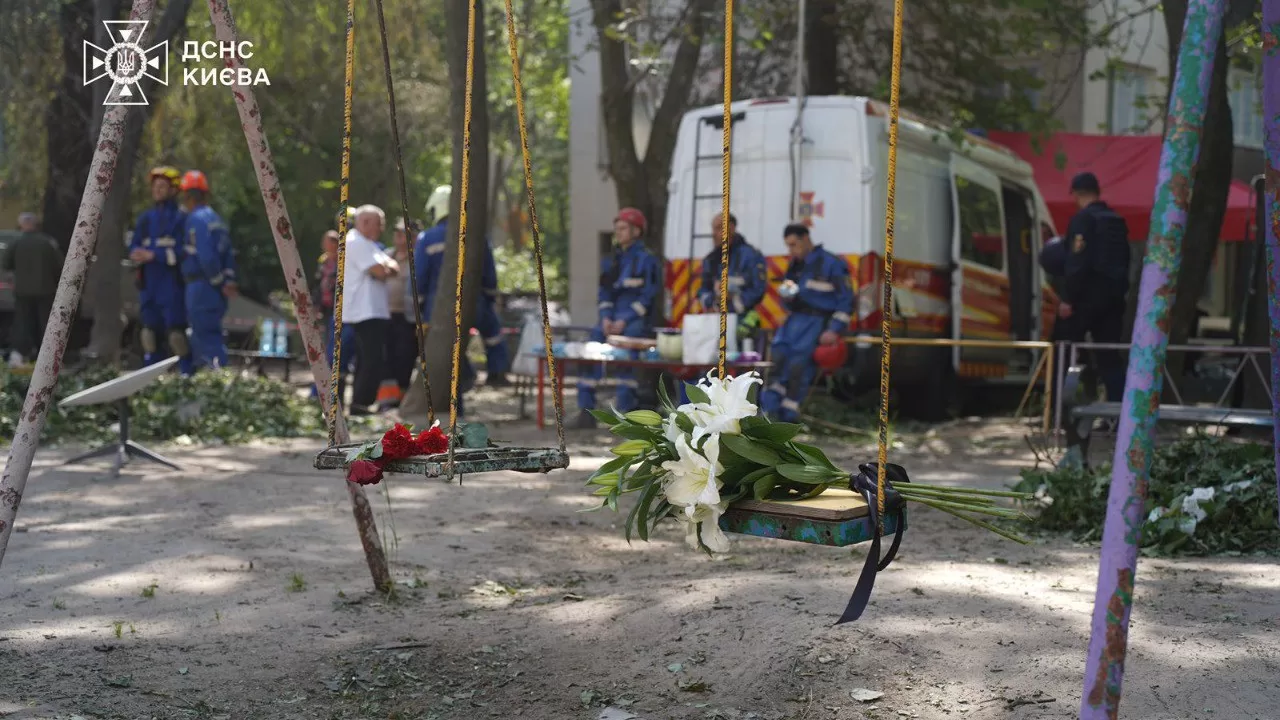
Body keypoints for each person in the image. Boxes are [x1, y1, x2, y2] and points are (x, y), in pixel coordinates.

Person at [573, 207, 662, 429]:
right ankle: (586, 412)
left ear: (636, 231)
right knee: (589, 352)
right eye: (617, 229)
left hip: (635, 322)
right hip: (610, 320)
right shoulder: (611, 261)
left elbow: (648, 296)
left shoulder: (647, 261)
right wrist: (605, 318)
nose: (618, 233)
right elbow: (605, 293)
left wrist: (624, 320)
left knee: (625, 359)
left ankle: (626, 415)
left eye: (623, 228)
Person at [759, 223, 854, 422]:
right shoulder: (795, 266)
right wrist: (786, 296)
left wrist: (834, 330)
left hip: (816, 323)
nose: (791, 250)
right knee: (775, 361)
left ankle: (788, 418)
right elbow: (787, 294)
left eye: (794, 245)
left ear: (806, 239)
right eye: (788, 246)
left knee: (797, 368)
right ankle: (769, 413)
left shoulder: (831, 263)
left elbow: (846, 301)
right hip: (793, 321)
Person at [1059, 172, 1131, 402]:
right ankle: (1118, 413)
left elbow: (1077, 263)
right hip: (1114, 299)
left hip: (1087, 297)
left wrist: (1068, 298)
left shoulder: (1083, 220)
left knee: (1064, 350)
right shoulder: (1117, 221)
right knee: (1109, 357)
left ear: (1077, 195)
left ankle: (1062, 410)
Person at [129, 166, 191, 374]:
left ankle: (186, 376)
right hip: (149, 284)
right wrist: (136, 253)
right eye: (155, 186)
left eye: (162, 186)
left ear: (174, 190)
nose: (157, 190)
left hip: (172, 283)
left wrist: (157, 255)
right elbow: (134, 244)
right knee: (148, 334)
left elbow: (186, 250)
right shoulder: (146, 219)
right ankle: (152, 377)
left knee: (176, 336)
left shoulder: (182, 218)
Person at [179, 170, 238, 370]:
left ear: (188, 196)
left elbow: (206, 256)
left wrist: (217, 281)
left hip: (202, 287)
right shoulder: (217, 219)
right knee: (213, 334)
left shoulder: (196, 220)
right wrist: (227, 281)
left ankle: (213, 385)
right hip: (214, 291)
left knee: (204, 339)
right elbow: (228, 255)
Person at [343, 204, 398, 415]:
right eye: (379, 224)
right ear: (365, 222)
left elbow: (392, 265)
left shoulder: (368, 244)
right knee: (371, 359)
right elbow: (381, 271)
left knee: (368, 358)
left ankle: (360, 402)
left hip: (372, 310)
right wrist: (385, 268)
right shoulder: (356, 242)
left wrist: (386, 267)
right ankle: (361, 403)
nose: (381, 229)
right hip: (365, 310)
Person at [2, 213, 63, 366]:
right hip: (45, 290)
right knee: (46, 323)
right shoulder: (48, 243)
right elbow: (59, 266)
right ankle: (47, 356)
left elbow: (6, 265)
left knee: (23, 322)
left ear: (22, 225)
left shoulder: (16, 242)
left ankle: (21, 354)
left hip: (22, 291)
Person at [697, 212, 767, 340]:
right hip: (715, 322)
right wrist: (711, 303)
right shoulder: (710, 260)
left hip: (743, 323)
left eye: (719, 228)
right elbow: (703, 290)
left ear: (731, 228)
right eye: (713, 228)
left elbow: (757, 291)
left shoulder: (750, 256)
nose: (713, 234)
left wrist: (731, 303)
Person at [382, 217, 417, 406]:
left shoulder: (417, 258)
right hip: (386, 314)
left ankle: (402, 399)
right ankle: (387, 399)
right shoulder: (386, 256)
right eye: (397, 234)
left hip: (407, 317)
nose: (400, 238)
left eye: (404, 234)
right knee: (387, 358)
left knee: (405, 357)